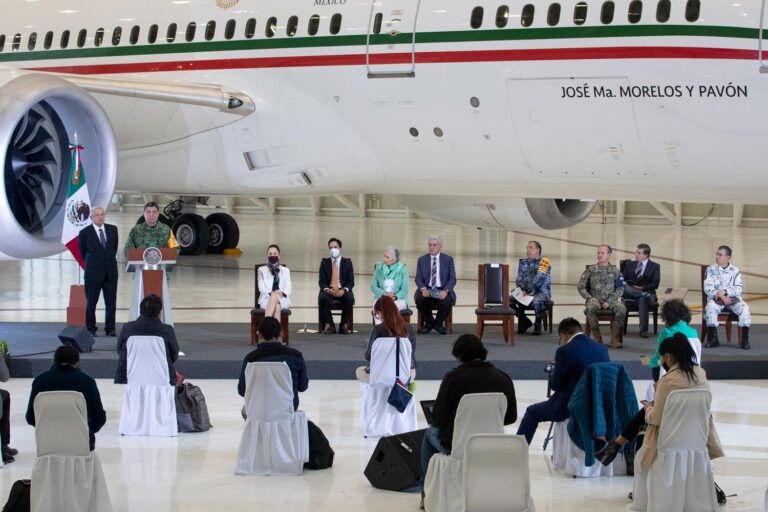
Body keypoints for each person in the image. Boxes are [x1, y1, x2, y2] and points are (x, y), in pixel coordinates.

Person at [595, 333, 724, 473]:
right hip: (698, 433)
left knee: (645, 414)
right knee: (649, 409)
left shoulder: (667, 381)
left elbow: (656, 419)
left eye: (661, 357)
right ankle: (616, 444)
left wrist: (649, 408)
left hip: (671, 437)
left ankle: (617, 446)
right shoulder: (701, 373)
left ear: (667, 357)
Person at [420, 334, 516, 507]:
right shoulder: (503, 378)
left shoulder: (452, 378)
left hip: (458, 447)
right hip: (492, 445)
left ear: (458, 355)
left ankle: (425, 495)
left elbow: (438, 418)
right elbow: (510, 418)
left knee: (428, 435)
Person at [516, 317, 610, 444]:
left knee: (531, 412)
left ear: (563, 335)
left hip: (571, 405)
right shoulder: (601, 348)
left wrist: (553, 374)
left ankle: (515, 451)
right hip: (599, 403)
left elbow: (556, 385)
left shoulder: (564, 351)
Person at [26, 345, 107, 451]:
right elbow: (99, 418)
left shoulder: (40, 381)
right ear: (78, 363)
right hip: (80, 441)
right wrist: (87, 430)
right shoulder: (88, 382)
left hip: (49, 442)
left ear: (53, 361)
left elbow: (30, 417)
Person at [238, 317, 308, 411]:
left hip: (259, 411)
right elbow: (303, 386)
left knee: (245, 410)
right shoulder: (296, 356)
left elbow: (242, 391)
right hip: (287, 410)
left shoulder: (250, 359)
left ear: (259, 335)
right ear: (281, 333)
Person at [115, 294, 180, 386]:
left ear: (140, 310)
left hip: (132, 376)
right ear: (159, 312)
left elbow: (120, 350)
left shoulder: (127, 327)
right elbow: (174, 354)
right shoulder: (167, 330)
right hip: (162, 377)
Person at [356, 295, 417, 383]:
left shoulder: (377, 329)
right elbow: (411, 353)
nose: (377, 316)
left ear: (380, 312)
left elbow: (369, 356)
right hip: (406, 373)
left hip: (382, 374)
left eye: (376, 314)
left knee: (359, 370)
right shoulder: (409, 328)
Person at [78, 206, 119, 337]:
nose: (100, 217)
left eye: (102, 214)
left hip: (110, 273)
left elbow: (114, 249)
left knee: (111, 303)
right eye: (97, 215)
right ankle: (90, 328)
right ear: (91, 218)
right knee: (91, 303)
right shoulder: (85, 232)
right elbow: (83, 252)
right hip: (93, 273)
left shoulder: (113, 230)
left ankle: (110, 328)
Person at [577, 244, 626, 348]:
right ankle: (597, 339)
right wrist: (590, 298)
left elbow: (620, 288)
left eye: (602, 253)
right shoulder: (590, 270)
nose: (599, 255)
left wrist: (609, 301)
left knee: (622, 309)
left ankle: (615, 339)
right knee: (590, 309)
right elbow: (581, 286)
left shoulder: (615, 271)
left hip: (611, 300)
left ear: (609, 255)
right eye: (598, 253)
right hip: (594, 299)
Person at [703, 245, 751, 349]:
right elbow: (708, 288)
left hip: (732, 300)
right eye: (717, 254)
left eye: (720, 254)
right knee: (710, 308)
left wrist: (725, 292)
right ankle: (713, 339)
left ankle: (745, 340)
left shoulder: (735, 270)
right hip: (716, 300)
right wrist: (721, 296)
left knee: (745, 308)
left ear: (728, 257)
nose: (717, 256)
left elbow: (738, 288)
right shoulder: (710, 269)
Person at [641, 300, 700, 382]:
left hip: (670, 377)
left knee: (655, 367)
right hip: (693, 376)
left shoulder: (666, 333)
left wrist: (648, 362)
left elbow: (658, 360)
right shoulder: (694, 333)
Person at [414, 235, 457, 335]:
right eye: (430, 245)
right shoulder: (422, 259)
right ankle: (429, 323)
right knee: (419, 299)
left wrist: (446, 290)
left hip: (442, 289)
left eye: (434, 245)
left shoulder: (448, 259)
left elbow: (452, 278)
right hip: (427, 288)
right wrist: (423, 289)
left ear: (440, 247)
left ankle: (437, 324)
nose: (431, 247)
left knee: (448, 300)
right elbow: (418, 277)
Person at [510, 240, 551, 335]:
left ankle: (537, 323)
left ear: (538, 250)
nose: (528, 250)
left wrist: (531, 291)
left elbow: (540, 278)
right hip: (525, 291)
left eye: (530, 248)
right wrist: (523, 289)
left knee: (537, 301)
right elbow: (518, 279)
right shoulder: (523, 262)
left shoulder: (544, 262)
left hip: (541, 292)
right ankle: (525, 320)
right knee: (508, 301)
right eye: (527, 248)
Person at [621, 244, 660, 338]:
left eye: (638, 253)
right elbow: (622, 279)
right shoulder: (630, 265)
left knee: (642, 298)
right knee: (623, 286)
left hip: (647, 292)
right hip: (630, 293)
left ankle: (643, 331)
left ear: (646, 255)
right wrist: (631, 285)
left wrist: (642, 288)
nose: (636, 254)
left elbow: (655, 284)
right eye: (636, 252)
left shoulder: (655, 266)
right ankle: (643, 294)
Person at [318, 237, 355, 334]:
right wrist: (326, 289)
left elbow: (351, 282)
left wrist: (344, 290)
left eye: (335, 247)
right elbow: (321, 281)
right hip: (329, 289)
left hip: (342, 289)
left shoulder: (348, 263)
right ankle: (331, 325)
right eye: (330, 248)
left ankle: (343, 325)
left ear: (340, 248)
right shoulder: (324, 263)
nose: (333, 250)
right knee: (322, 298)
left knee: (350, 298)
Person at [258, 244, 292, 320]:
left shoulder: (286, 270)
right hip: (266, 299)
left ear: (279, 255)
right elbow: (261, 288)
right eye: (270, 254)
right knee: (277, 306)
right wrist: (273, 294)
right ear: (267, 256)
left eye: (275, 254)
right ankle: (277, 331)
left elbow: (288, 289)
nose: (272, 256)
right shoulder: (261, 270)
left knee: (275, 300)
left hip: (283, 299)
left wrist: (280, 293)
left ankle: (264, 327)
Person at [371, 246, 409, 312]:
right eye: (384, 256)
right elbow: (373, 286)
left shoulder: (403, 269)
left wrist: (395, 297)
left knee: (390, 307)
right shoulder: (379, 267)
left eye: (387, 257)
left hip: (398, 299)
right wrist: (384, 294)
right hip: (381, 297)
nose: (384, 259)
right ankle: (380, 323)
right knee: (378, 307)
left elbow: (404, 290)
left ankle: (390, 323)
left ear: (394, 259)